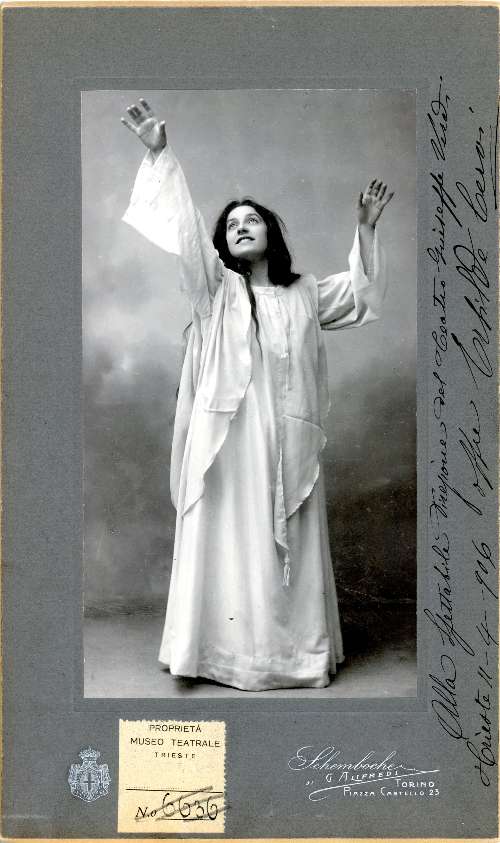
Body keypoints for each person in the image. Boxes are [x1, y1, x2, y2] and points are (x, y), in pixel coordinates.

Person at [121, 98, 394, 692]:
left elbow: (360, 297)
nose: (241, 226)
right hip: (229, 440)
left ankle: (290, 657)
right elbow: (186, 234)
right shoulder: (215, 290)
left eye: (253, 220)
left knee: (283, 539)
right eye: (232, 224)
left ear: (271, 233)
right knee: (231, 537)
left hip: (285, 439)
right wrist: (161, 155)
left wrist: (366, 229)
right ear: (224, 242)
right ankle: (224, 654)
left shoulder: (304, 293)